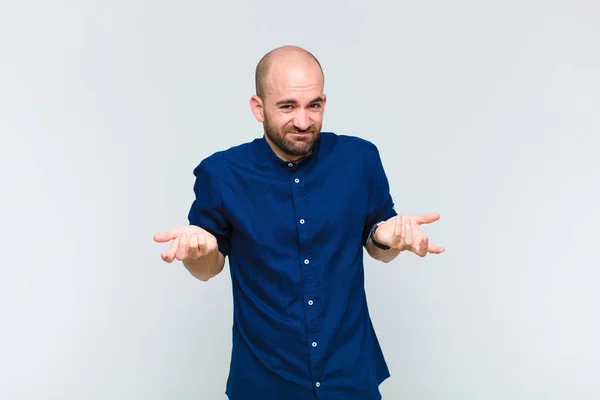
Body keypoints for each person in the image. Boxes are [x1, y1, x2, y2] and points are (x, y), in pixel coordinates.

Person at [153, 45, 444, 400]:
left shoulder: (360, 159)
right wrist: (201, 250)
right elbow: (206, 268)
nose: (303, 122)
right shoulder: (222, 174)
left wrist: (386, 239)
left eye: (314, 106)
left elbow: (379, 247)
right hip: (265, 383)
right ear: (258, 108)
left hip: (349, 378)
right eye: (288, 106)